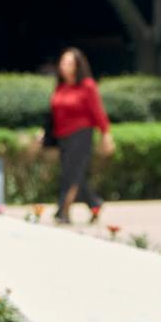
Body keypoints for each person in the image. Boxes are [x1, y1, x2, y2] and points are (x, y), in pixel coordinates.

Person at [49, 47, 115, 225]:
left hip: (81, 134)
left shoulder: (87, 86)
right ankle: (94, 203)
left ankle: (62, 211)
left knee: (70, 175)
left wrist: (106, 134)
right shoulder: (61, 87)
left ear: (78, 66)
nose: (65, 66)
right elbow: (52, 114)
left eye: (69, 63)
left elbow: (97, 111)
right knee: (74, 175)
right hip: (63, 136)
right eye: (63, 62)